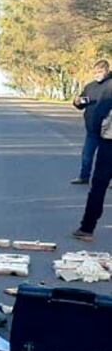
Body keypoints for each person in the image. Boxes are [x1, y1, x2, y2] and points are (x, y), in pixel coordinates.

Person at [73, 59, 112, 242]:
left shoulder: (109, 87)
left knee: (99, 186)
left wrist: (97, 128)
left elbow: (102, 113)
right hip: (100, 135)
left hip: (107, 140)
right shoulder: (91, 86)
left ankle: (87, 228)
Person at [71, 59, 112, 184]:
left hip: (108, 129)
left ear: (107, 70)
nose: (97, 74)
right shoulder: (90, 87)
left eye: (100, 71)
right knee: (87, 155)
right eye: (95, 72)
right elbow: (84, 101)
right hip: (92, 128)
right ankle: (84, 177)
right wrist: (77, 102)